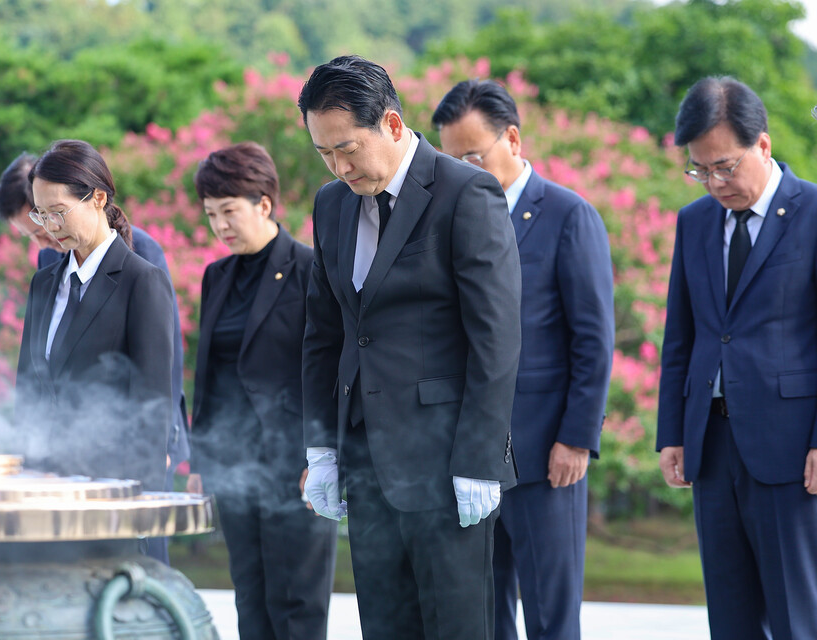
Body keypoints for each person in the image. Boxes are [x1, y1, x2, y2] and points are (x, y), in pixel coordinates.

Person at [298, 56, 522, 639]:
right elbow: (325, 333)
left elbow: (494, 338)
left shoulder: (465, 192)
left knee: (454, 627)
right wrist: (321, 447)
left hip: (448, 466)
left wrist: (479, 461)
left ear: (392, 126)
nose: (340, 166)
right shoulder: (331, 204)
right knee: (385, 627)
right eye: (325, 153)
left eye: (348, 148)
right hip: (367, 461)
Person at [432, 79, 614, 640]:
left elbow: (593, 338)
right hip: (470, 455)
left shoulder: (566, 215)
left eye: (473, 155)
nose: (462, 168)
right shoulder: (449, 220)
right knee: (483, 611)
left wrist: (578, 438)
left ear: (511, 138)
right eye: (450, 159)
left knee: (550, 613)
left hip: (546, 451)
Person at [657, 77, 817, 640]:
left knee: (798, 613)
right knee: (729, 615)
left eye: (724, 166)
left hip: (791, 448)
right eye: (699, 170)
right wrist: (672, 431)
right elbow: (683, 336)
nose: (713, 182)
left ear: (764, 146)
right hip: (712, 446)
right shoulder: (694, 221)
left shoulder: (813, 212)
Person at [188, 142, 338, 640]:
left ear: (265, 204)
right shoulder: (217, 276)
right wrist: (200, 459)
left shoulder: (311, 269)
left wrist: (320, 457)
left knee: (296, 604)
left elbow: (327, 370)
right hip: (233, 466)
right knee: (249, 597)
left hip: (294, 465)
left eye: (229, 211)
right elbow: (207, 371)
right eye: (211, 214)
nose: (220, 226)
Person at [0, 152, 191, 471]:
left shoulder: (142, 274)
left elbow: (155, 389)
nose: (50, 229)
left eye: (58, 212)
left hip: (112, 474)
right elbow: (29, 387)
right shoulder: (44, 281)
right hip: (47, 474)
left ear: (97, 198)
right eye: (41, 217)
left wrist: (153, 465)